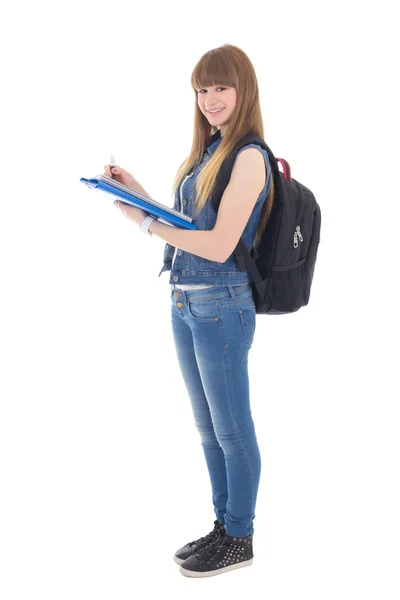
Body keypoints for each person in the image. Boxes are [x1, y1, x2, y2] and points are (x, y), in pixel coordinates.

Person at [104, 43, 274, 578]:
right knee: (207, 428)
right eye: (202, 89)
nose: (209, 98)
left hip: (222, 306)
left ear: (242, 90)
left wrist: (145, 223)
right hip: (185, 301)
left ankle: (239, 535)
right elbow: (192, 226)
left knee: (232, 429)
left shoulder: (248, 155)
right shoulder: (209, 152)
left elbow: (220, 244)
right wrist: (142, 197)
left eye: (220, 87)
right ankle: (224, 524)